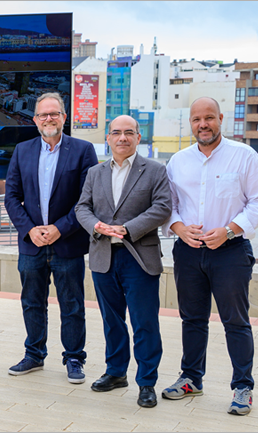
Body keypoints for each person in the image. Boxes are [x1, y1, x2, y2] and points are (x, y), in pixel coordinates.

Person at [161, 97, 258, 415]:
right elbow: (167, 205)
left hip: (230, 252)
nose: (203, 125)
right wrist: (179, 227)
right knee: (192, 319)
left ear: (221, 119)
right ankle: (191, 379)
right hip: (188, 252)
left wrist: (230, 229)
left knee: (235, 322)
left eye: (209, 118)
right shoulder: (178, 161)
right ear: (191, 123)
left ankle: (242, 387)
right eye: (197, 120)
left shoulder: (244, 156)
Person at [75, 115, 171, 408]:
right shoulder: (95, 172)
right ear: (108, 138)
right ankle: (116, 372)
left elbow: (163, 207)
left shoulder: (155, 170)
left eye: (129, 133)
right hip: (104, 256)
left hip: (139, 258)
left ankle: (147, 382)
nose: (122, 138)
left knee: (144, 323)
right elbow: (82, 207)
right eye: (116, 133)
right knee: (112, 321)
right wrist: (98, 226)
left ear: (138, 137)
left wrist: (129, 228)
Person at [4, 92, 97, 384]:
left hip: (67, 243)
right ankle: (34, 355)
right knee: (32, 302)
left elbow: (87, 198)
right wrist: (30, 229)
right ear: (35, 120)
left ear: (64, 117)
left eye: (54, 113)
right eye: (43, 115)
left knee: (72, 304)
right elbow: (11, 197)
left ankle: (74, 359)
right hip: (31, 244)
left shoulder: (83, 150)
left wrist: (60, 228)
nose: (49, 119)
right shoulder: (22, 150)